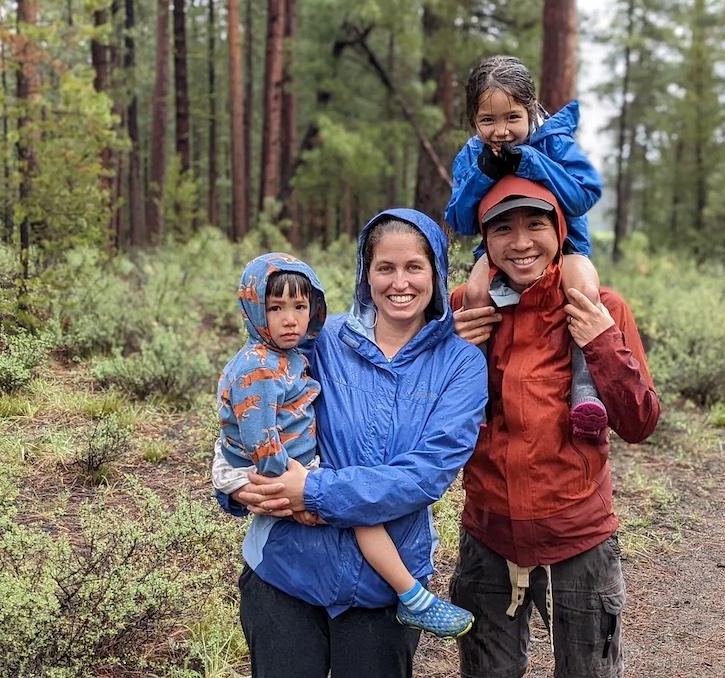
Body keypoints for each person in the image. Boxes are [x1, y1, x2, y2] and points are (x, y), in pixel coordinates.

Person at [212, 210, 488, 678]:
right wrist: (231, 480)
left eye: (414, 267)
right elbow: (257, 403)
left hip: (382, 586)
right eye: (385, 267)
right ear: (366, 273)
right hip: (285, 570)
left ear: (437, 273)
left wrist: (313, 492)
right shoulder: (322, 340)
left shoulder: (460, 365)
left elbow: (424, 476)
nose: (399, 282)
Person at [449, 175, 661, 678]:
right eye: (503, 229)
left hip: (579, 532)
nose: (520, 243)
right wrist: (451, 351)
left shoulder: (601, 307)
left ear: (559, 229)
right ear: (486, 240)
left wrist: (603, 344)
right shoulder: (466, 308)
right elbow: (425, 419)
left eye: (535, 225)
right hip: (489, 531)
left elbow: (639, 422)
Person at [444, 54, 608, 442]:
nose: (501, 131)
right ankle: (477, 392)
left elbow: (584, 195)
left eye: (512, 118)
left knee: (583, 287)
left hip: (566, 247)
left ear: (530, 110)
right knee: (476, 291)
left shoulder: (554, 142)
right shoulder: (471, 155)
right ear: (473, 122)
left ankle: (585, 391)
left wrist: (534, 162)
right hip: (500, 251)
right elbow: (461, 220)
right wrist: (484, 172)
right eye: (488, 121)